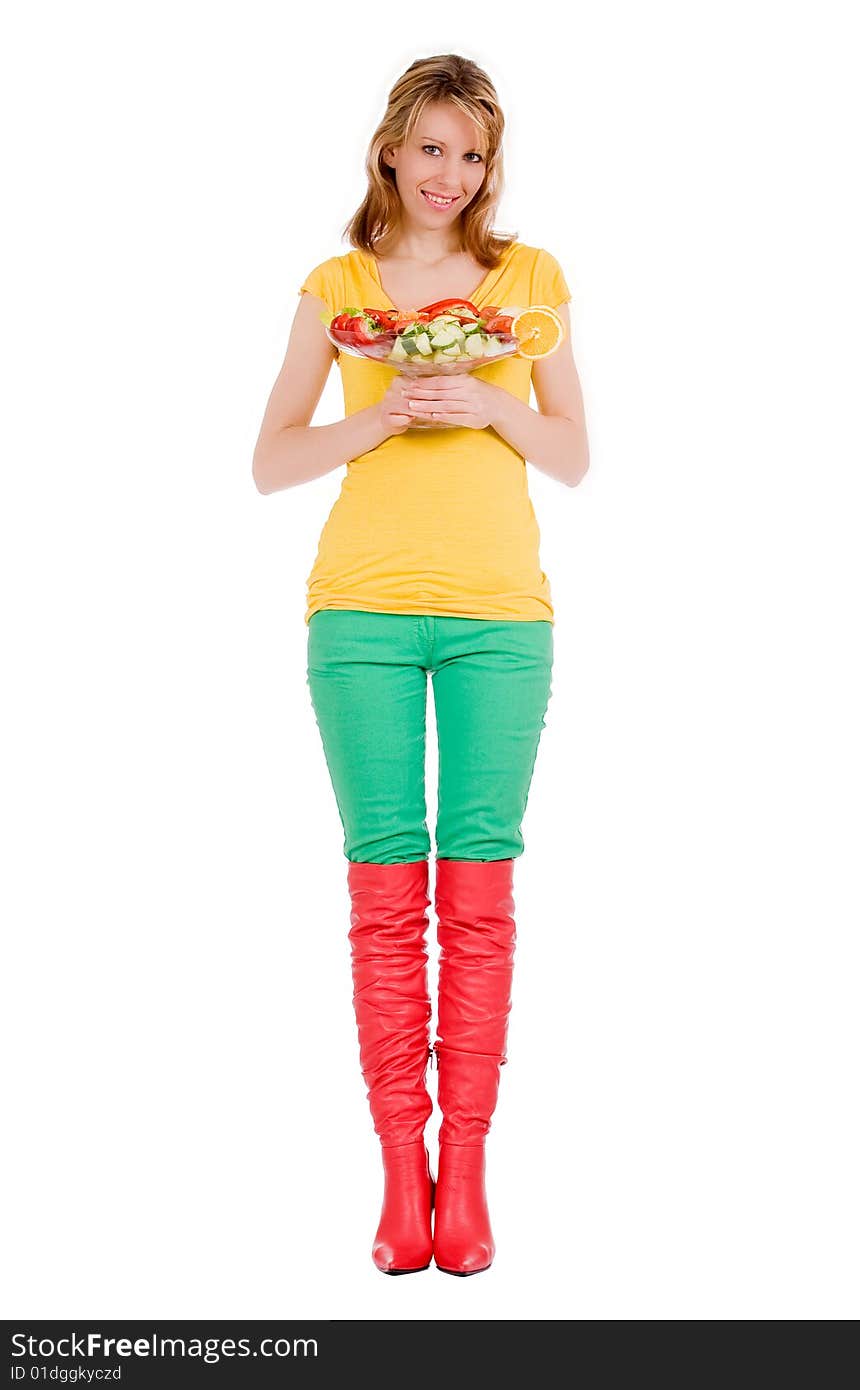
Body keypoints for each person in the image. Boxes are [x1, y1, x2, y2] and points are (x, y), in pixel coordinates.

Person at [252, 54, 589, 1276]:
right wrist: (384, 410)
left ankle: (471, 1177)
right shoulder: (338, 288)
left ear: (489, 167)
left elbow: (572, 453)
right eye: (431, 147)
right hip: (362, 614)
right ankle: (403, 1177)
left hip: (504, 617)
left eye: (473, 154)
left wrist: (487, 402)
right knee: (387, 898)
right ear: (390, 148)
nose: (450, 174)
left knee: (481, 901)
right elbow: (271, 459)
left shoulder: (528, 282)